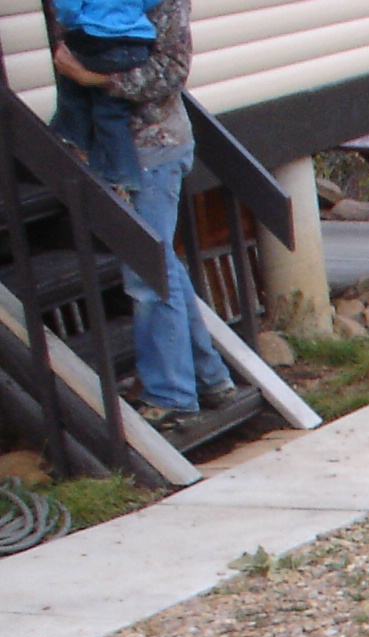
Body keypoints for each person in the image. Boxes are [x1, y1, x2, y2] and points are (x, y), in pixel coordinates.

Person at [52, 0, 239, 440]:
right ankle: (210, 381)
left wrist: (92, 77)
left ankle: (172, 396)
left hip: (152, 152)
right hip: (117, 154)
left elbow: (172, 69)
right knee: (160, 267)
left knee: (146, 274)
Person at [48, 0, 160, 188]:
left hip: (97, 39)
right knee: (111, 112)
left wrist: (72, 21)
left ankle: (73, 141)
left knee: (71, 83)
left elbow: (68, 6)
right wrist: (131, 14)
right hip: (138, 44)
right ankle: (124, 175)